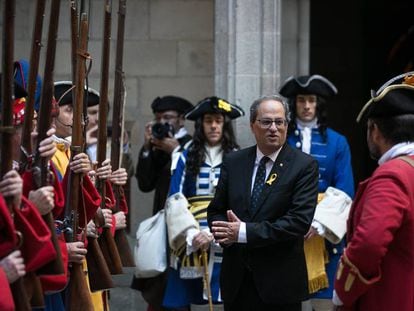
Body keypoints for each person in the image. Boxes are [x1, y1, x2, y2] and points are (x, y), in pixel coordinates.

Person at [207, 95, 319, 311]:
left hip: (279, 286)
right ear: (252, 126)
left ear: (287, 125)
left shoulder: (304, 166)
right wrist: (224, 232)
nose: (273, 128)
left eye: (280, 122)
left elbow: (298, 222)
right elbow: (216, 211)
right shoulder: (234, 162)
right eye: (266, 122)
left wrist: (242, 232)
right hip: (237, 283)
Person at [333, 72, 414, 311]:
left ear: (375, 131)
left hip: (391, 299)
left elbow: (368, 244)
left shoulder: (392, 176)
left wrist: (342, 292)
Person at [279, 75, 355, 310]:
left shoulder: (337, 142)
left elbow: (345, 190)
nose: (307, 106)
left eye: (311, 100)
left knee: (324, 302)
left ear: (318, 104)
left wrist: (319, 223)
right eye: (301, 100)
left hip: (325, 233)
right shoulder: (281, 139)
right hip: (288, 230)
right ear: (294, 104)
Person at [163, 96, 244, 309]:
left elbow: (243, 201)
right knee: (193, 298)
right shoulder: (186, 155)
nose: (214, 126)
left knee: (228, 296)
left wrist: (218, 233)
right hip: (193, 236)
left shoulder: (239, 157)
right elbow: (174, 199)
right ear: (201, 125)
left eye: (218, 120)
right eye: (209, 121)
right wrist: (192, 234)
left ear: (225, 124)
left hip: (226, 234)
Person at [132, 95, 193, 311]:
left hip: (185, 225)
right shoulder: (157, 145)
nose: (163, 123)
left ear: (181, 120)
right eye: (158, 118)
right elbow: (145, 184)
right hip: (161, 223)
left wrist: (177, 152)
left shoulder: (190, 145)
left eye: (167, 118)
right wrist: (148, 148)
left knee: (177, 288)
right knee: (159, 285)